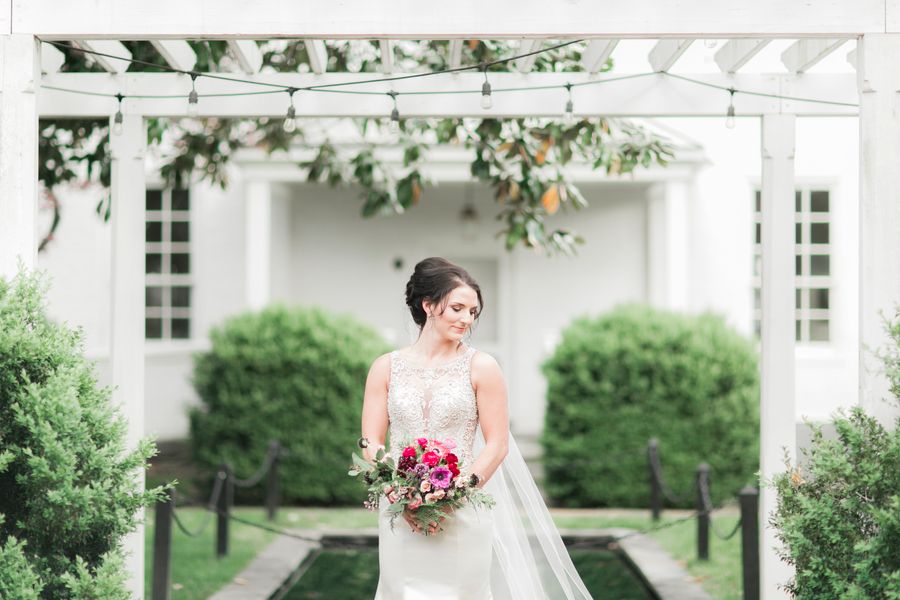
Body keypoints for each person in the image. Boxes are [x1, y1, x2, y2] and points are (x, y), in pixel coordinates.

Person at [360, 257, 592, 599]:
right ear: (428, 305)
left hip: (462, 508)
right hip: (399, 510)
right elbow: (371, 440)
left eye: (473, 312)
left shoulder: (482, 367)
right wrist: (398, 493)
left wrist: (452, 497)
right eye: (457, 308)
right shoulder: (385, 368)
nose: (466, 319)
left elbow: (497, 444)